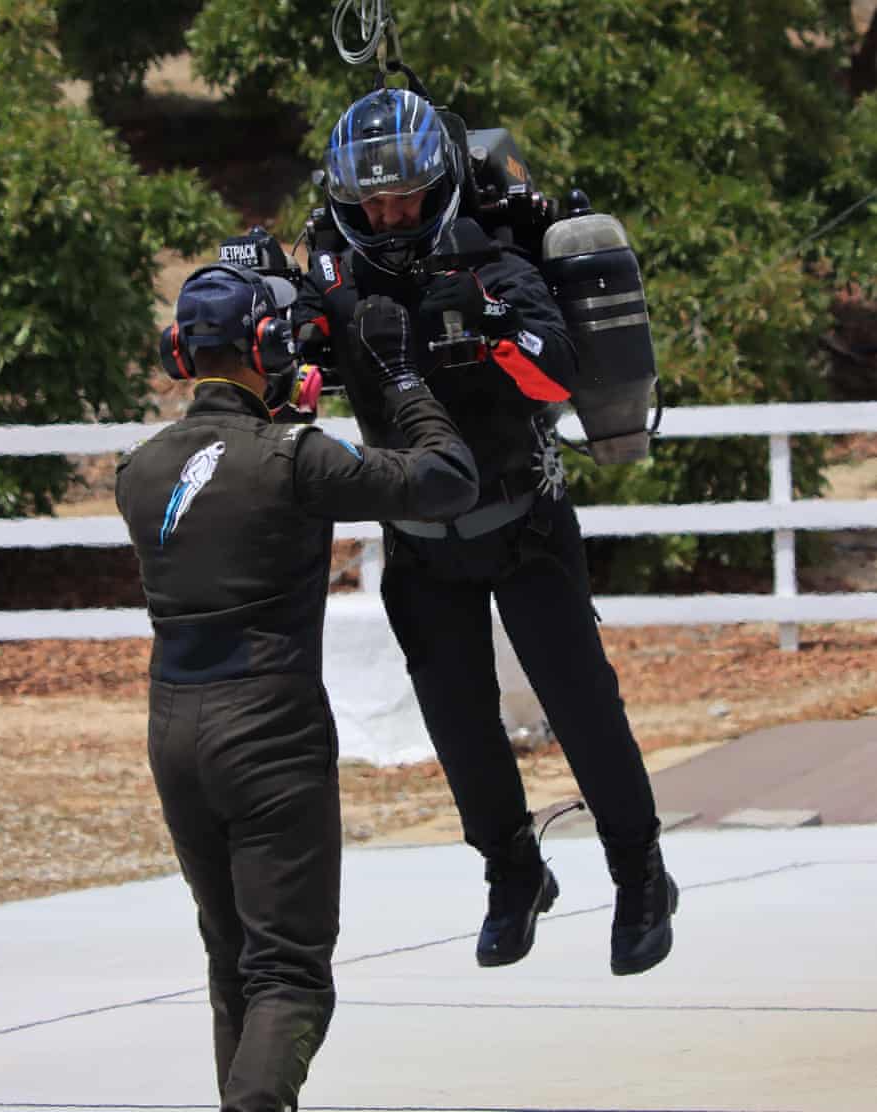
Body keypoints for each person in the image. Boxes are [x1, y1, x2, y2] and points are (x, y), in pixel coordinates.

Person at [292, 87, 678, 976]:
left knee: (581, 704)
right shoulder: (340, 286)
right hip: (420, 545)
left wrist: (484, 323)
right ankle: (512, 874)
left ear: (441, 190)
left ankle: (641, 872)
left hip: (525, 522)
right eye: (371, 202)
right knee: (460, 724)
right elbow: (291, 371)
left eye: (405, 197)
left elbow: (558, 376)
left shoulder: (495, 266)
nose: (389, 215)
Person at [115, 263, 478, 1112]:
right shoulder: (296, 459)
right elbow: (447, 475)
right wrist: (398, 376)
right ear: (271, 348)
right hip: (270, 730)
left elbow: (224, 472)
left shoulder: (137, 470)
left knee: (232, 959)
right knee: (293, 979)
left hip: (173, 731)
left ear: (179, 352)